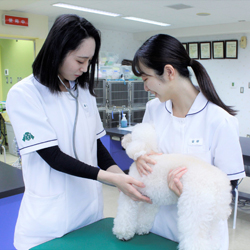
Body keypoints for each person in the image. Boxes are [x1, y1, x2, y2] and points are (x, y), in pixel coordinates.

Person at [6, 14, 151, 250]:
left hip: (88, 214)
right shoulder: (25, 94)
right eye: (80, 60)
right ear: (57, 51)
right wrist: (112, 178)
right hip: (49, 221)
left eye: (89, 61)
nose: (85, 69)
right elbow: (52, 156)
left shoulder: (82, 91)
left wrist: (122, 177)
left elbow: (95, 146)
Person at [131, 34, 246, 249]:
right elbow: (144, 150)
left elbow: (228, 187)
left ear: (169, 72)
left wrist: (189, 194)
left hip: (201, 236)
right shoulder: (154, 109)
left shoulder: (220, 120)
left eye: (146, 78)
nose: (145, 87)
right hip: (158, 228)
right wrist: (139, 158)